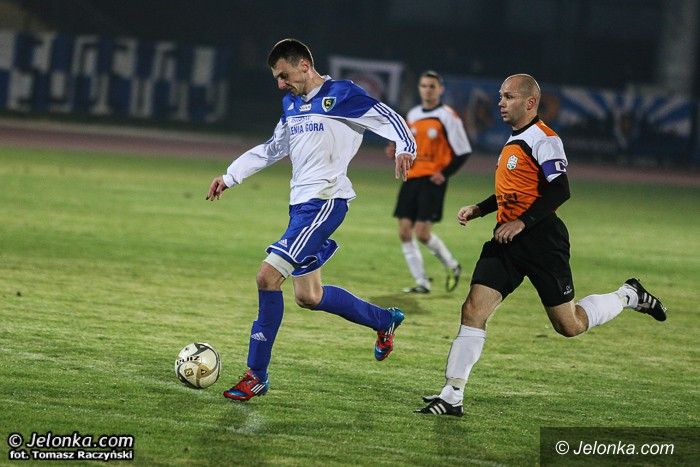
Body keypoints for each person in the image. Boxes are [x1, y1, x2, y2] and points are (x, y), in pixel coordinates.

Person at [417, 74, 667, 417]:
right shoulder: (515, 140)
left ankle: (628, 295)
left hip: (542, 240)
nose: (500, 103)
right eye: (501, 96)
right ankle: (452, 395)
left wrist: (522, 222)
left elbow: (560, 189)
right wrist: (480, 209)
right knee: (473, 309)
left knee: (569, 325)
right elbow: (514, 192)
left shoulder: (544, 138)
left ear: (530, 102)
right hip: (506, 239)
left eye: (508, 97)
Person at [206, 38, 416, 401]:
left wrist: (405, 147)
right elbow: (273, 148)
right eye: (277, 78)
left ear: (304, 65)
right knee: (309, 295)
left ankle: (256, 374)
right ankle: (384, 320)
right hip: (299, 208)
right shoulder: (290, 104)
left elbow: (390, 118)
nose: (280, 84)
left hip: (325, 202)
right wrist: (230, 176)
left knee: (267, 276)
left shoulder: (342, 94)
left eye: (284, 75)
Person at [387, 70, 472, 294]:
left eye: (432, 86)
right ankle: (422, 282)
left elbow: (463, 151)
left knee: (422, 233)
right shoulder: (413, 114)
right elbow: (407, 144)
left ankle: (452, 265)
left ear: (440, 89)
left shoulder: (447, 116)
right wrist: (396, 150)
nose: (427, 90)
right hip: (412, 178)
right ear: (419, 88)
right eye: (424, 86)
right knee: (404, 232)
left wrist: (445, 173)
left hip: (432, 181)